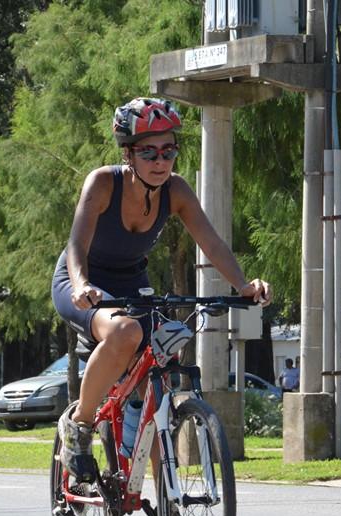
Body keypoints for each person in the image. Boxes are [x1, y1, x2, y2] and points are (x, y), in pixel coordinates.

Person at [52, 97, 271, 483]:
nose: (160, 161)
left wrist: (243, 285)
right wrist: (82, 285)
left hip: (132, 283)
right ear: (128, 154)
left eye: (168, 151)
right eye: (149, 152)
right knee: (126, 331)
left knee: (164, 366)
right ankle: (80, 427)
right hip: (83, 281)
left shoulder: (177, 191)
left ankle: (166, 503)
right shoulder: (103, 182)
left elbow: (212, 243)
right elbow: (76, 246)